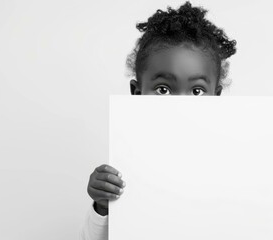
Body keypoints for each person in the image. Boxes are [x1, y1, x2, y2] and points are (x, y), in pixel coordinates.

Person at [79, 1, 237, 240]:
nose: (179, 104)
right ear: (137, 92)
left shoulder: (236, 166)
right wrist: (103, 207)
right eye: (163, 89)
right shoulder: (125, 169)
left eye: (197, 91)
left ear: (216, 97)